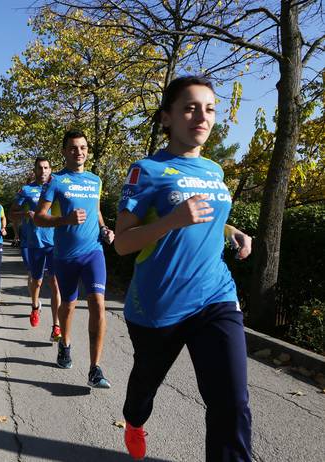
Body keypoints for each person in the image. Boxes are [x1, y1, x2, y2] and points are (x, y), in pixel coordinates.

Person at [115, 76, 252, 461]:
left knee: (231, 402)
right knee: (144, 388)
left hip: (214, 296)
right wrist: (171, 221)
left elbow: (206, 217)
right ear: (167, 117)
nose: (202, 117)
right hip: (158, 305)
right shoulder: (147, 170)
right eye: (190, 108)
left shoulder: (214, 170)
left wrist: (233, 232)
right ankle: (134, 420)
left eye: (209, 109)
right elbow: (122, 243)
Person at [34, 129, 115, 388]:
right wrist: (64, 220)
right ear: (64, 151)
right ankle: (65, 345)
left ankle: (95, 369)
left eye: (82, 147)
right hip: (65, 256)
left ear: (87, 151)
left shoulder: (95, 180)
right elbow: (39, 217)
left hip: (93, 251)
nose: (78, 152)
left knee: (98, 304)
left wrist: (104, 228)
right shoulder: (56, 181)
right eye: (73, 148)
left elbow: (96, 211)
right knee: (68, 305)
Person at [11, 157, 62, 341]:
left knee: (55, 283)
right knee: (37, 281)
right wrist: (25, 213)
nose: (43, 171)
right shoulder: (26, 190)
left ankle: (56, 326)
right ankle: (34, 307)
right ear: (35, 170)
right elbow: (12, 213)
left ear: (51, 169)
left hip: (55, 243)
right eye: (40, 168)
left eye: (46, 167)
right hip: (35, 243)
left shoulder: (58, 187)